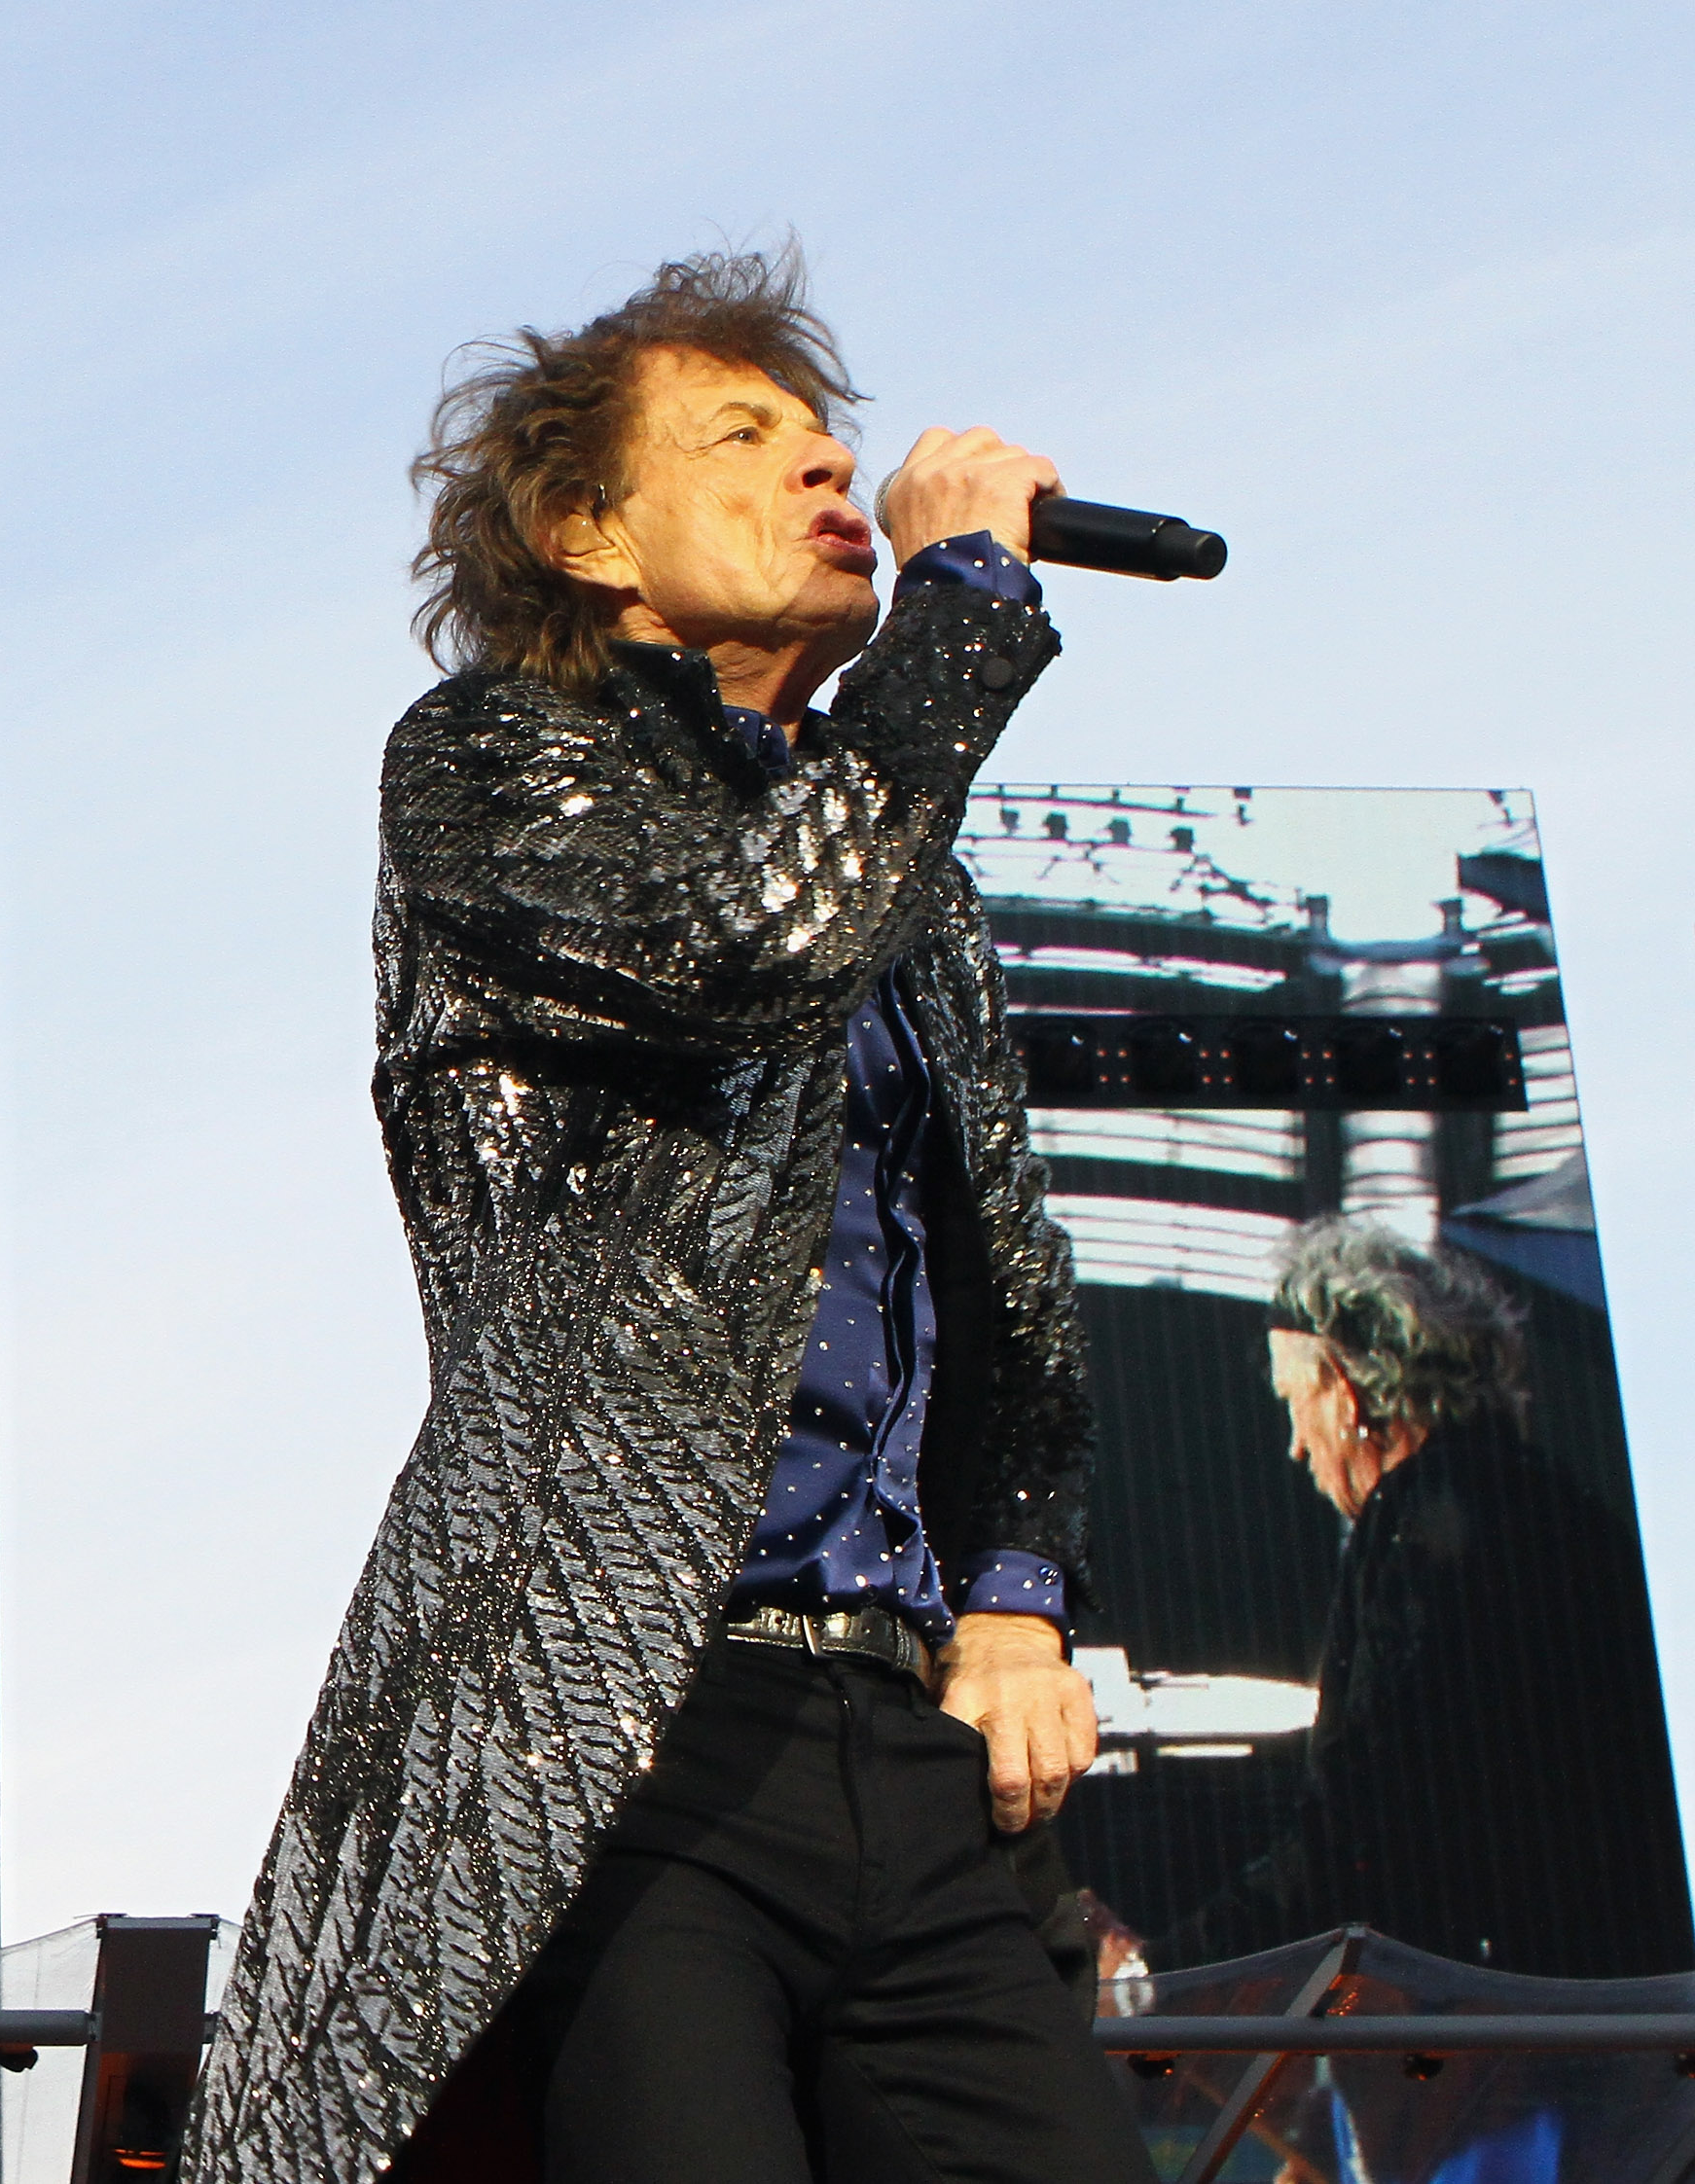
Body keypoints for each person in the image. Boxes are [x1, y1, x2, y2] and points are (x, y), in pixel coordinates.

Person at [189, 248, 1149, 2184]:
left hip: (910, 1738)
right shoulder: (483, 770)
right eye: (750, 442)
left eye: (835, 448)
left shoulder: (907, 882)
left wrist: (1023, 1596)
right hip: (625, 1744)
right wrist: (962, 598)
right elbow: (747, 946)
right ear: (585, 528)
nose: (831, 480)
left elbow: (1014, 1294)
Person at [1161, 1217, 1689, 1978]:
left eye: (1291, 1400)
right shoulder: (1569, 1509)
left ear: (1343, 1393)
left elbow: (1363, 1825)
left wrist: (1166, 1971)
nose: (1295, 1446)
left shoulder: (1418, 1524)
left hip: (1513, 2025)